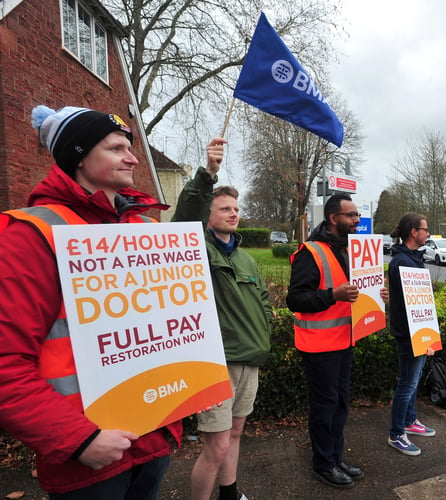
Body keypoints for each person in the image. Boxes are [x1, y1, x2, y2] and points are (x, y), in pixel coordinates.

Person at [0, 105, 181, 498]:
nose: (132, 157)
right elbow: (6, 363)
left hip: (152, 440)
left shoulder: (147, 228)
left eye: (129, 147)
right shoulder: (30, 235)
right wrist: (77, 440)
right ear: (78, 156)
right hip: (86, 458)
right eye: (116, 148)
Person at [172, 138, 272, 500]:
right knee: (214, 447)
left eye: (236, 208)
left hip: (249, 360)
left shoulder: (245, 258)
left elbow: (263, 302)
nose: (234, 213)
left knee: (234, 435)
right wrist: (208, 174)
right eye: (225, 208)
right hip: (217, 363)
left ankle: (229, 494)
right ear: (209, 215)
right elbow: (185, 217)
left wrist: (264, 338)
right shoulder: (195, 249)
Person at [286, 194, 387, 488]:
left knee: (340, 404)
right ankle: (323, 464)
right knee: (325, 406)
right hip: (319, 345)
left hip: (345, 340)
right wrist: (333, 295)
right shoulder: (310, 252)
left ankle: (335, 457)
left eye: (357, 215)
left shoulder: (353, 250)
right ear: (333, 219)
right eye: (351, 215)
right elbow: (295, 299)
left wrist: (376, 296)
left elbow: (358, 292)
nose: (357, 220)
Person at [386, 212, 436, 456]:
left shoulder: (412, 259)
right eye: (425, 229)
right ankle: (397, 434)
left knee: (412, 381)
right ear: (413, 232)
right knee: (407, 383)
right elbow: (406, 305)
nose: (428, 233)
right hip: (409, 334)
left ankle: (409, 420)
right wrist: (420, 336)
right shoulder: (402, 262)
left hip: (418, 331)